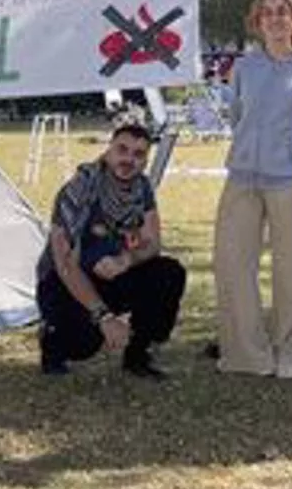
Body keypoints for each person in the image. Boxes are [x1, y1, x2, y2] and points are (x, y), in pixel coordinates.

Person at [214, 0, 292, 378]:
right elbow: (236, 116)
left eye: (283, 12)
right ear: (257, 22)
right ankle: (247, 354)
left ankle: (291, 352)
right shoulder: (245, 68)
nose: (276, 19)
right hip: (243, 177)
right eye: (267, 13)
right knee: (233, 264)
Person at [36, 121, 188, 380]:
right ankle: (52, 340)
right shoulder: (79, 189)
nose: (129, 159)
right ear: (109, 150)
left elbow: (153, 243)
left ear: (145, 160)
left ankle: (138, 354)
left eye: (138, 154)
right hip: (65, 281)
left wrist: (127, 259)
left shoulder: (141, 188)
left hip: (111, 273)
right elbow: (64, 264)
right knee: (82, 345)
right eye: (123, 149)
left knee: (168, 273)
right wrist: (104, 317)